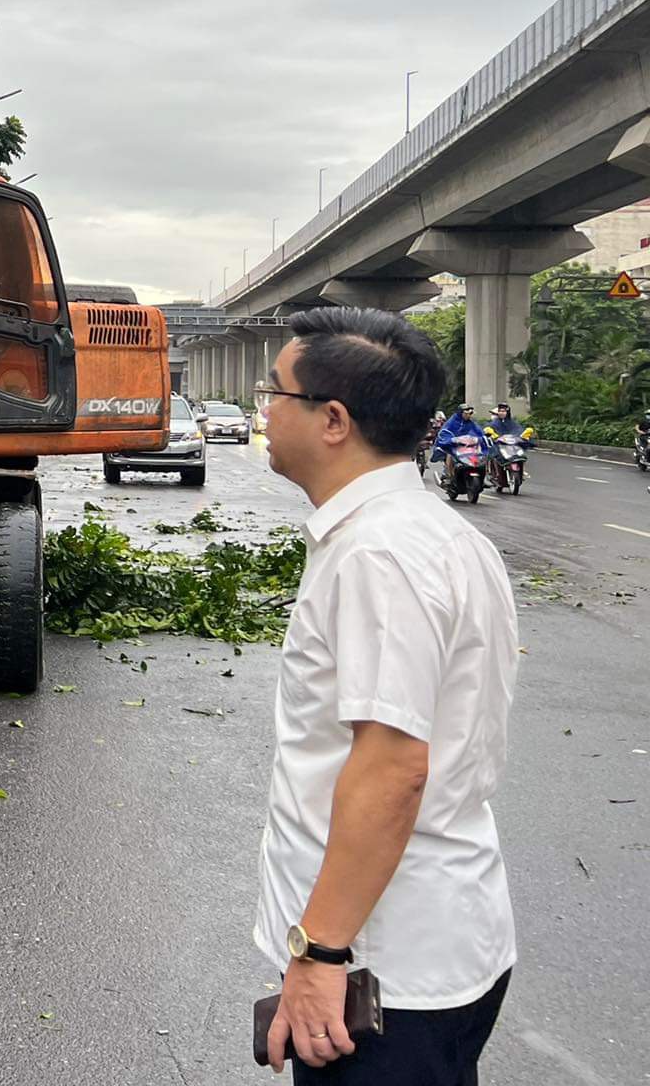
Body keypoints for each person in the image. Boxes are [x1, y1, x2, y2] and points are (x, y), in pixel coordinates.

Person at [252, 307, 517, 1082]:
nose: (263, 409)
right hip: (426, 942)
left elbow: (394, 766)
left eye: (276, 391)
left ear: (332, 421)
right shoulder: (432, 534)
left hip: (382, 967)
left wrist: (320, 952)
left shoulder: (380, 555)